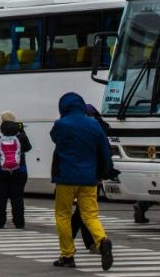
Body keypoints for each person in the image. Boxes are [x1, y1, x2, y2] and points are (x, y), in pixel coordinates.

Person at [50, 92, 114, 271]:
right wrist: (105, 171)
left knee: (63, 214)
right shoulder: (94, 125)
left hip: (65, 177)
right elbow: (104, 150)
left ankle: (67, 255)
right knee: (90, 214)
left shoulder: (60, 124)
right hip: (89, 178)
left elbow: (54, 138)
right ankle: (102, 241)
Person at [0, 110, 32, 229]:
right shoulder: (20, 136)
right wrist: (22, 131)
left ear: (2, 123)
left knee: (0, 197)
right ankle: (19, 223)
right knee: (18, 197)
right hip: (19, 171)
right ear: (15, 122)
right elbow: (28, 148)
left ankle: (0, 223)